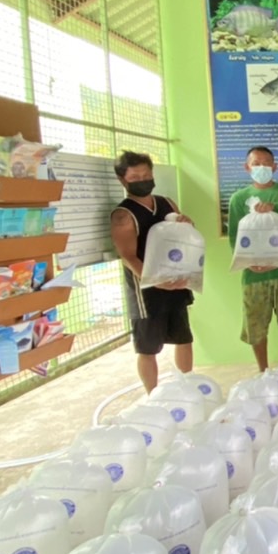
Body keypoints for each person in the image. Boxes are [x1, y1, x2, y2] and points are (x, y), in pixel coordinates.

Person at [227, 146, 278, 388]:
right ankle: (263, 372)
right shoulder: (239, 199)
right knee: (256, 325)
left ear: (274, 167)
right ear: (247, 167)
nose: (261, 167)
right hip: (254, 275)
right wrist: (250, 263)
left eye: (266, 163)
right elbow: (234, 237)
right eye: (256, 163)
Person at [110, 150, 193, 393]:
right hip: (146, 289)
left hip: (175, 281)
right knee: (147, 347)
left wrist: (188, 224)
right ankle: (153, 396)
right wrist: (154, 280)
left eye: (147, 174)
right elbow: (127, 256)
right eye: (136, 176)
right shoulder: (123, 215)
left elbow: (185, 237)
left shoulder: (167, 203)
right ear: (122, 180)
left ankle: (187, 385)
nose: (143, 179)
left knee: (183, 337)